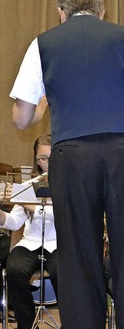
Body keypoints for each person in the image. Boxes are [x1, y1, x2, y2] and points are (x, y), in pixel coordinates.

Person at [9, 0, 124, 328]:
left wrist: (47, 96)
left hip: (72, 157)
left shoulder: (41, 44)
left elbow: (22, 118)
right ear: (102, 12)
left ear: (62, 13)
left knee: (76, 257)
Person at [1, 135, 58, 329]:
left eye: (50, 158)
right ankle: (25, 323)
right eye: (41, 158)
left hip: (60, 244)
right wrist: (1, 214)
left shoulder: (70, 185)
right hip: (31, 242)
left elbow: (59, 216)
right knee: (14, 269)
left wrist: (26, 202)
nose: (46, 163)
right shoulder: (27, 186)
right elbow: (15, 222)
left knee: (66, 272)